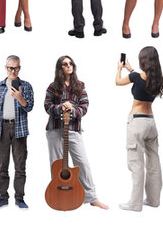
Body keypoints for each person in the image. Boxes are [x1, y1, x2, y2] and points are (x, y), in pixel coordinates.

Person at [43, 56, 108, 209]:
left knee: (82, 163)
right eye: (65, 64)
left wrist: (72, 109)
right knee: (56, 165)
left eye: (70, 63)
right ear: (60, 68)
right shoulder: (53, 87)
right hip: (54, 129)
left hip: (73, 129)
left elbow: (85, 106)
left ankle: (92, 197)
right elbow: (47, 106)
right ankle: (58, 196)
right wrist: (60, 107)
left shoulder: (80, 86)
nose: (69, 66)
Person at [115, 46, 163, 211]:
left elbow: (117, 82)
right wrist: (131, 69)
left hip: (137, 123)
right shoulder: (157, 79)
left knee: (136, 163)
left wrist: (119, 69)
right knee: (154, 162)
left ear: (143, 60)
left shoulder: (135, 77)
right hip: (151, 122)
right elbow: (143, 80)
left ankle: (135, 204)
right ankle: (153, 200)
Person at [0, 55, 34, 209]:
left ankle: (19, 198)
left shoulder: (26, 86)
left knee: (20, 166)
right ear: (5, 68)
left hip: (19, 129)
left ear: (20, 68)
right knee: (2, 166)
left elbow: (29, 107)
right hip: (1, 129)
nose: (13, 71)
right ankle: (2, 197)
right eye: (10, 68)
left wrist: (20, 98)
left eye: (16, 68)